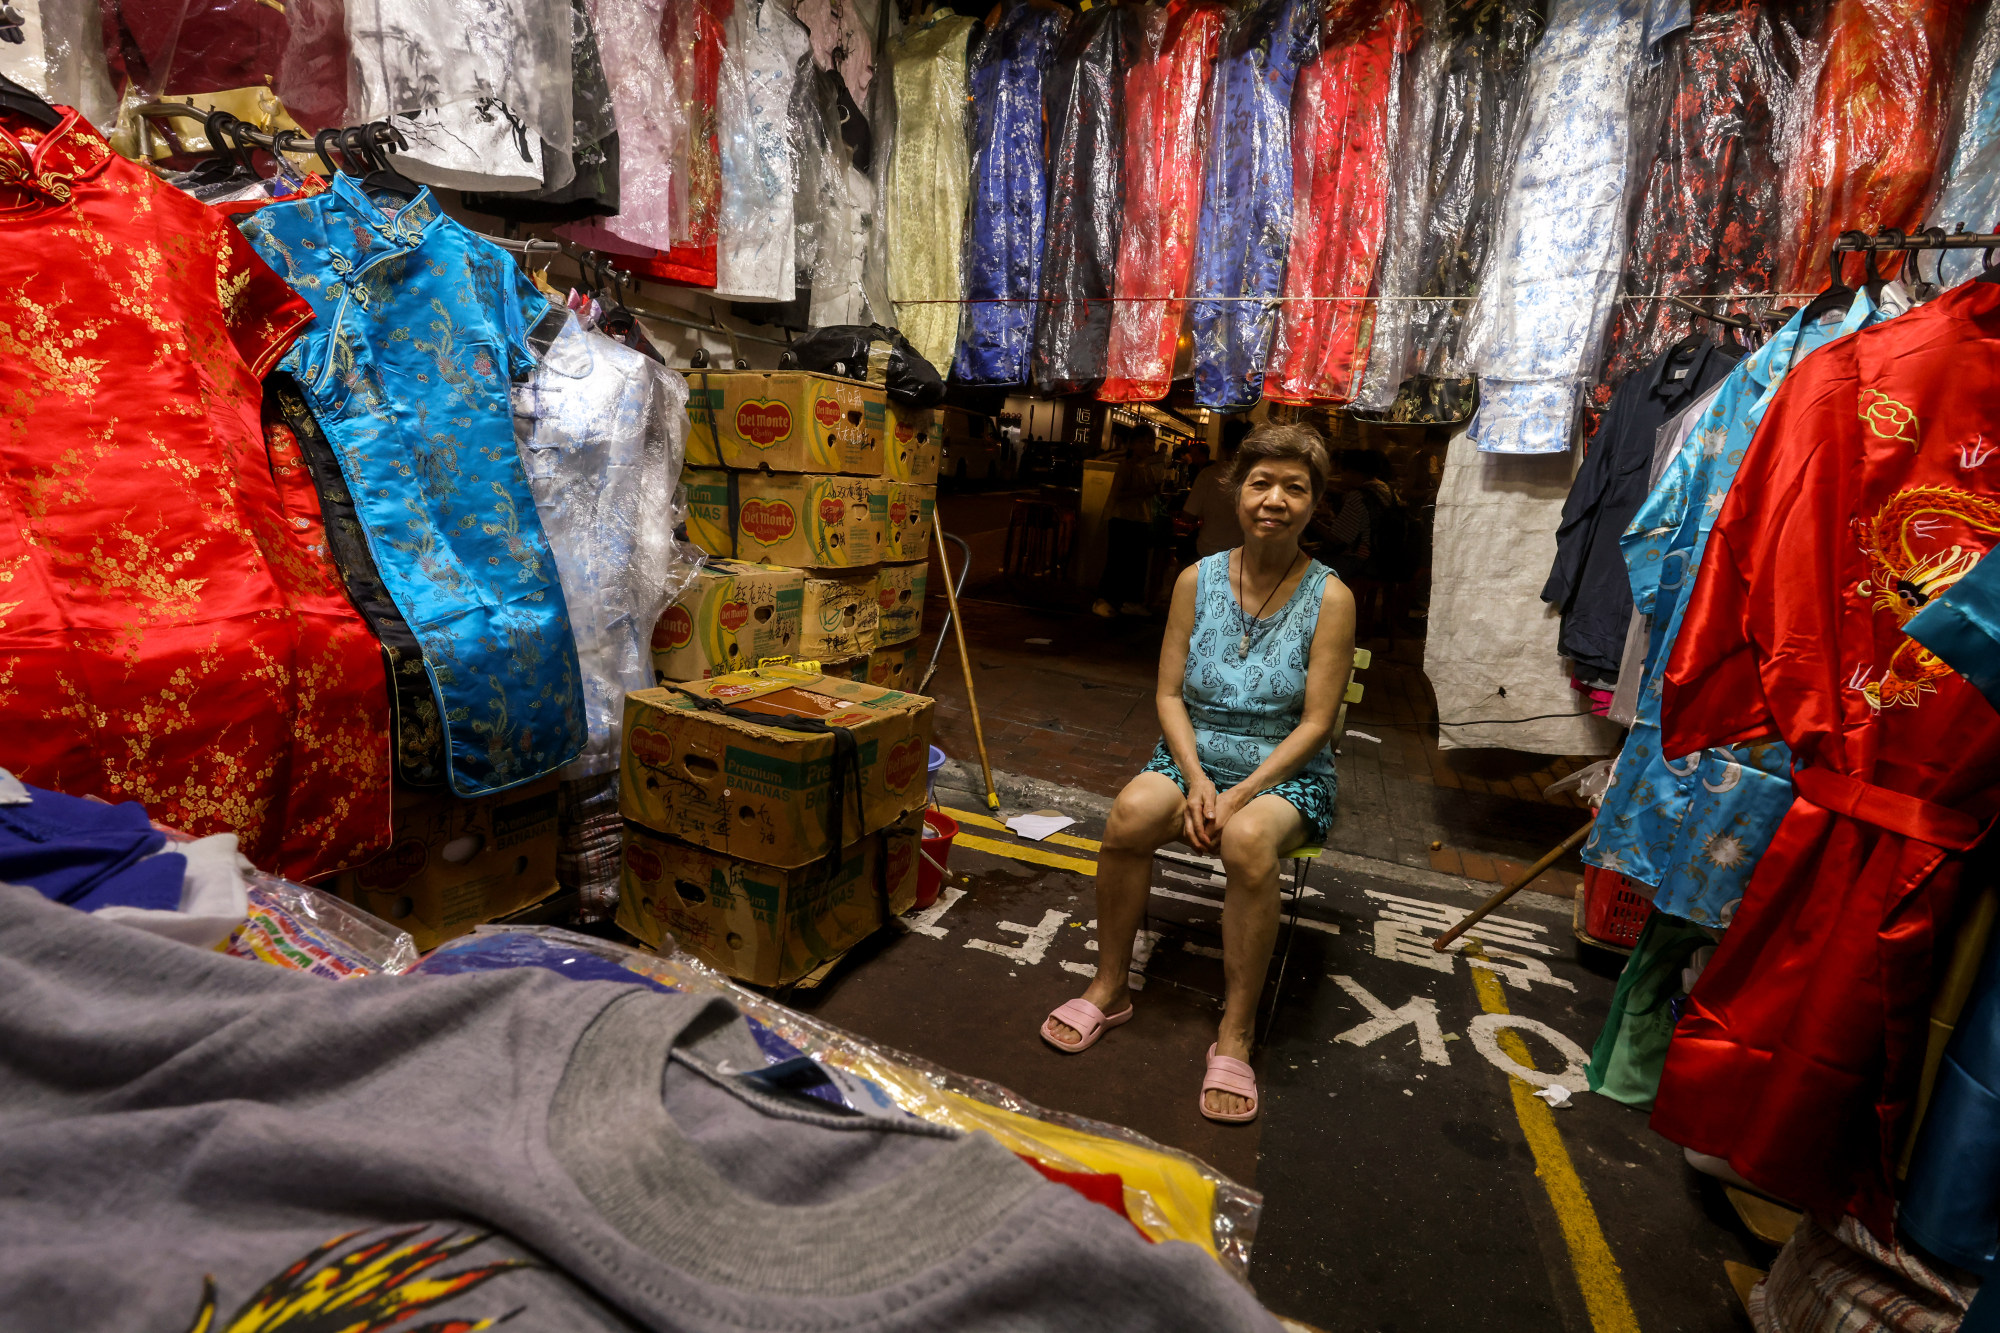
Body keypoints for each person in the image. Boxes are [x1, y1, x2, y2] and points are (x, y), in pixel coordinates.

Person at [1041, 423, 1357, 1124]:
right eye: (1261, 483)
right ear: (1237, 491)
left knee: (1247, 840)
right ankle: (1109, 986)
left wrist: (1240, 792)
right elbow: (1167, 694)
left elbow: (1316, 724)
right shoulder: (1196, 578)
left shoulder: (1331, 597)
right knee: (1127, 815)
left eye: (1294, 488)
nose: (1274, 499)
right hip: (1193, 757)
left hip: (1284, 772)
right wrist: (1198, 778)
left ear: (1314, 502)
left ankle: (1236, 1031)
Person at [1092, 423, 1166, 618]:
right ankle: (1103, 600)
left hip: (1141, 519)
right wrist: (1145, 491)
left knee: (1136, 564)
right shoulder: (1126, 467)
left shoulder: (1149, 468)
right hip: (1122, 520)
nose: (1146, 446)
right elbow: (1118, 494)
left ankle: (1130, 601)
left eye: (1150, 442)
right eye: (1141, 441)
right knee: (1117, 562)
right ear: (1132, 444)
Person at [1179, 423, 1245, 559]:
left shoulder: (1208, 474)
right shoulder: (1258, 477)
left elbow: (1188, 516)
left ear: (1223, 446)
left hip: (1209, 551)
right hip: (1244, 556)